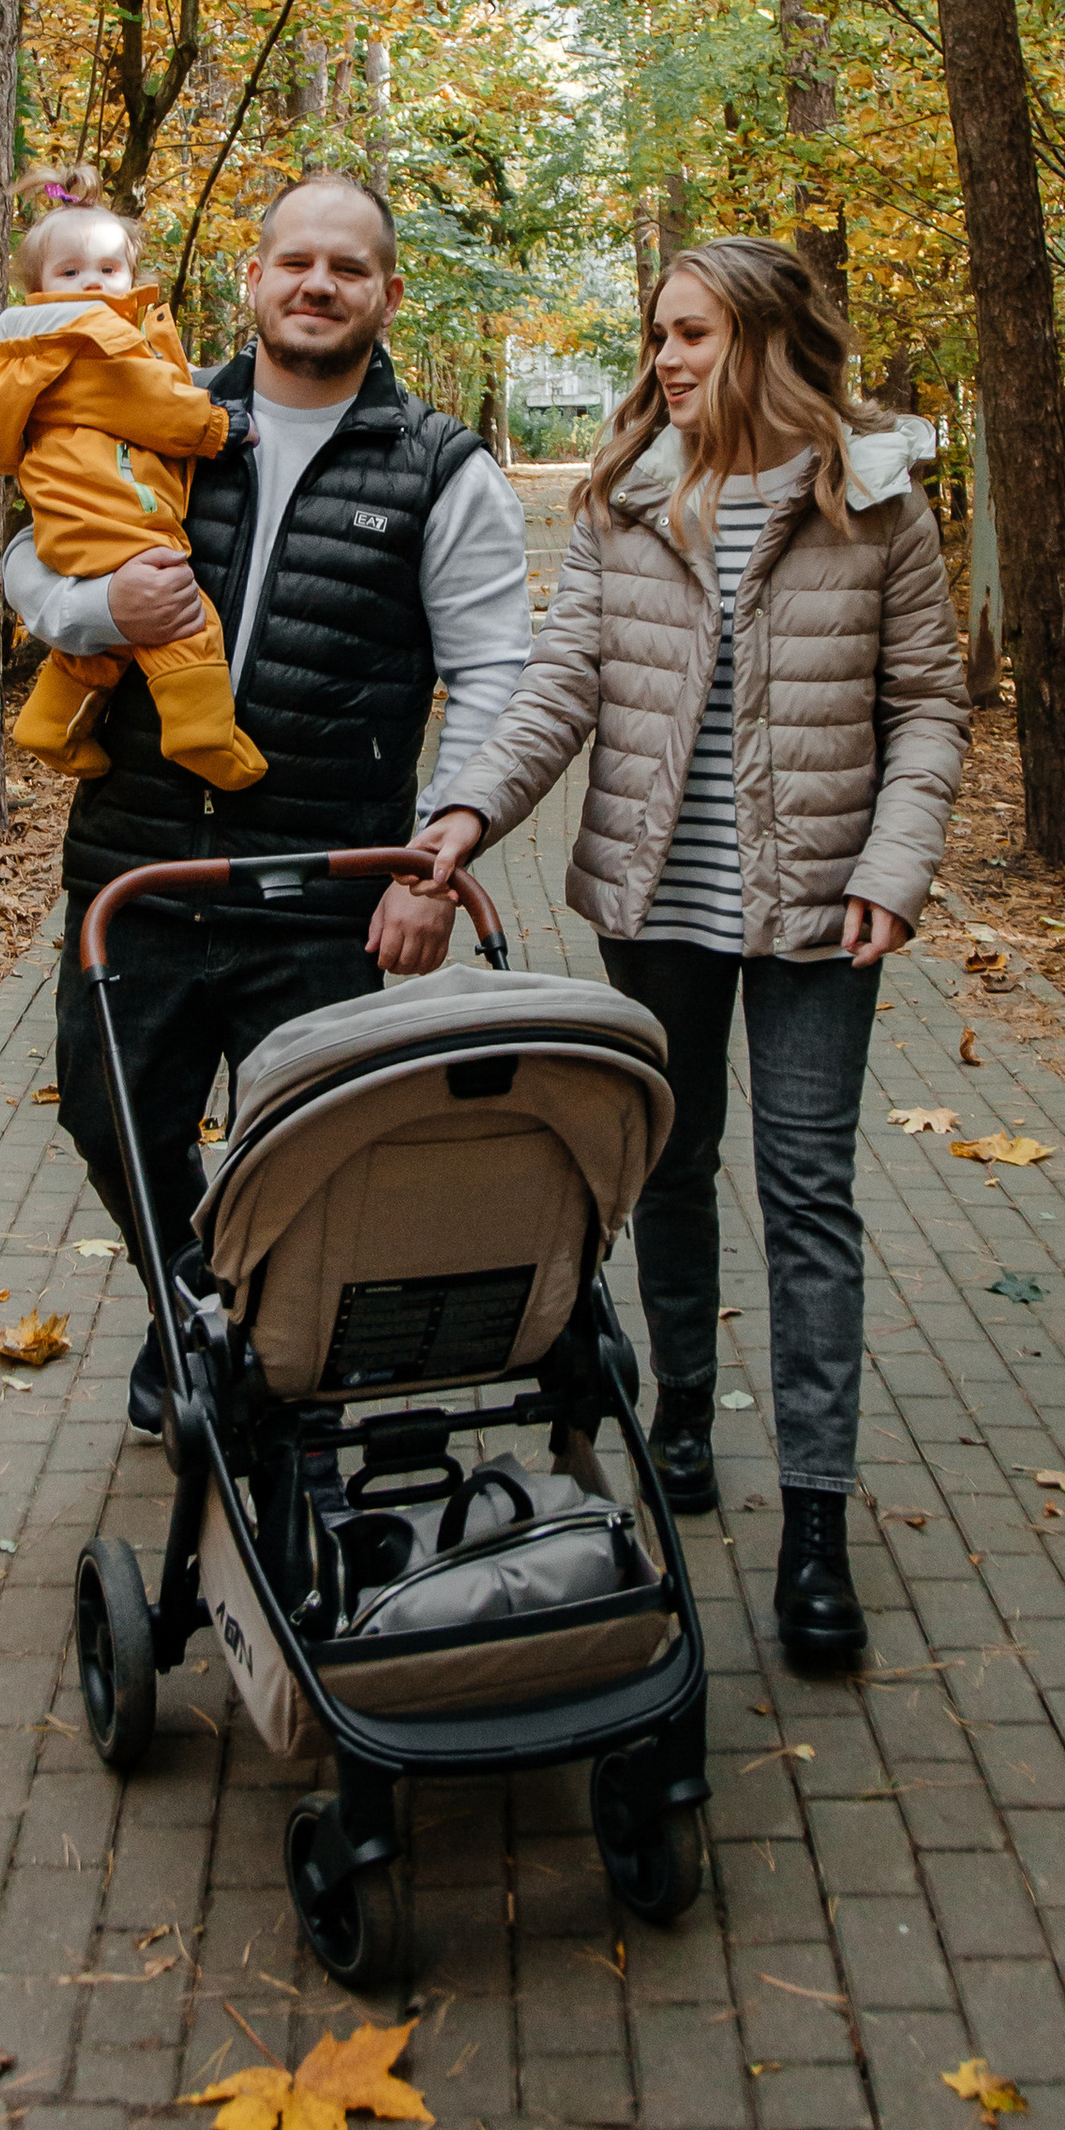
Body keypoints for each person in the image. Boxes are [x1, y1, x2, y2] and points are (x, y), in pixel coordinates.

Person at [407, 237, 968, 1670]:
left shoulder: (878, 503)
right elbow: (560, 689)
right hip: (654, 905)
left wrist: (896, 877)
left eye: (695, 335)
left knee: (808, 1197)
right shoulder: (626, 501)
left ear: (769, 344)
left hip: (821, 912)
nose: (665, 359)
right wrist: (464, 814)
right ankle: (679, 1414)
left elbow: (929, 711)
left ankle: (818, 1525)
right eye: (659, 333)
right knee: (670, 1163)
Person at [4, 171, 533, 1434]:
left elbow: (497, 671)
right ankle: (196, 1313)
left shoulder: (440, 468)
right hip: (135, 871)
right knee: (108, 1117)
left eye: (347, 269)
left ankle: (256, 1356)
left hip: (321, 890)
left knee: (309, 1155)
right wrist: (97, 614)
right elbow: (35, 548)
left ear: (387, 296)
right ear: (250, 280)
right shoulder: (154, 410)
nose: (316, 285)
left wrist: (436, 861)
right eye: (294, 261)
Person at [0, 168, 265, 791]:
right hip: (119, 516)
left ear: (131, 273)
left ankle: (50, 724)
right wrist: (218, 427)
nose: (91, 282)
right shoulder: (93, 344)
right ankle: (201, 733)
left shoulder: (31, 352)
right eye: (70, 273)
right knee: (181, 619)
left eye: (107, 269)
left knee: (108, 645)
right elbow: (155, 406)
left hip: (74, 524)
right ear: (38, 287)